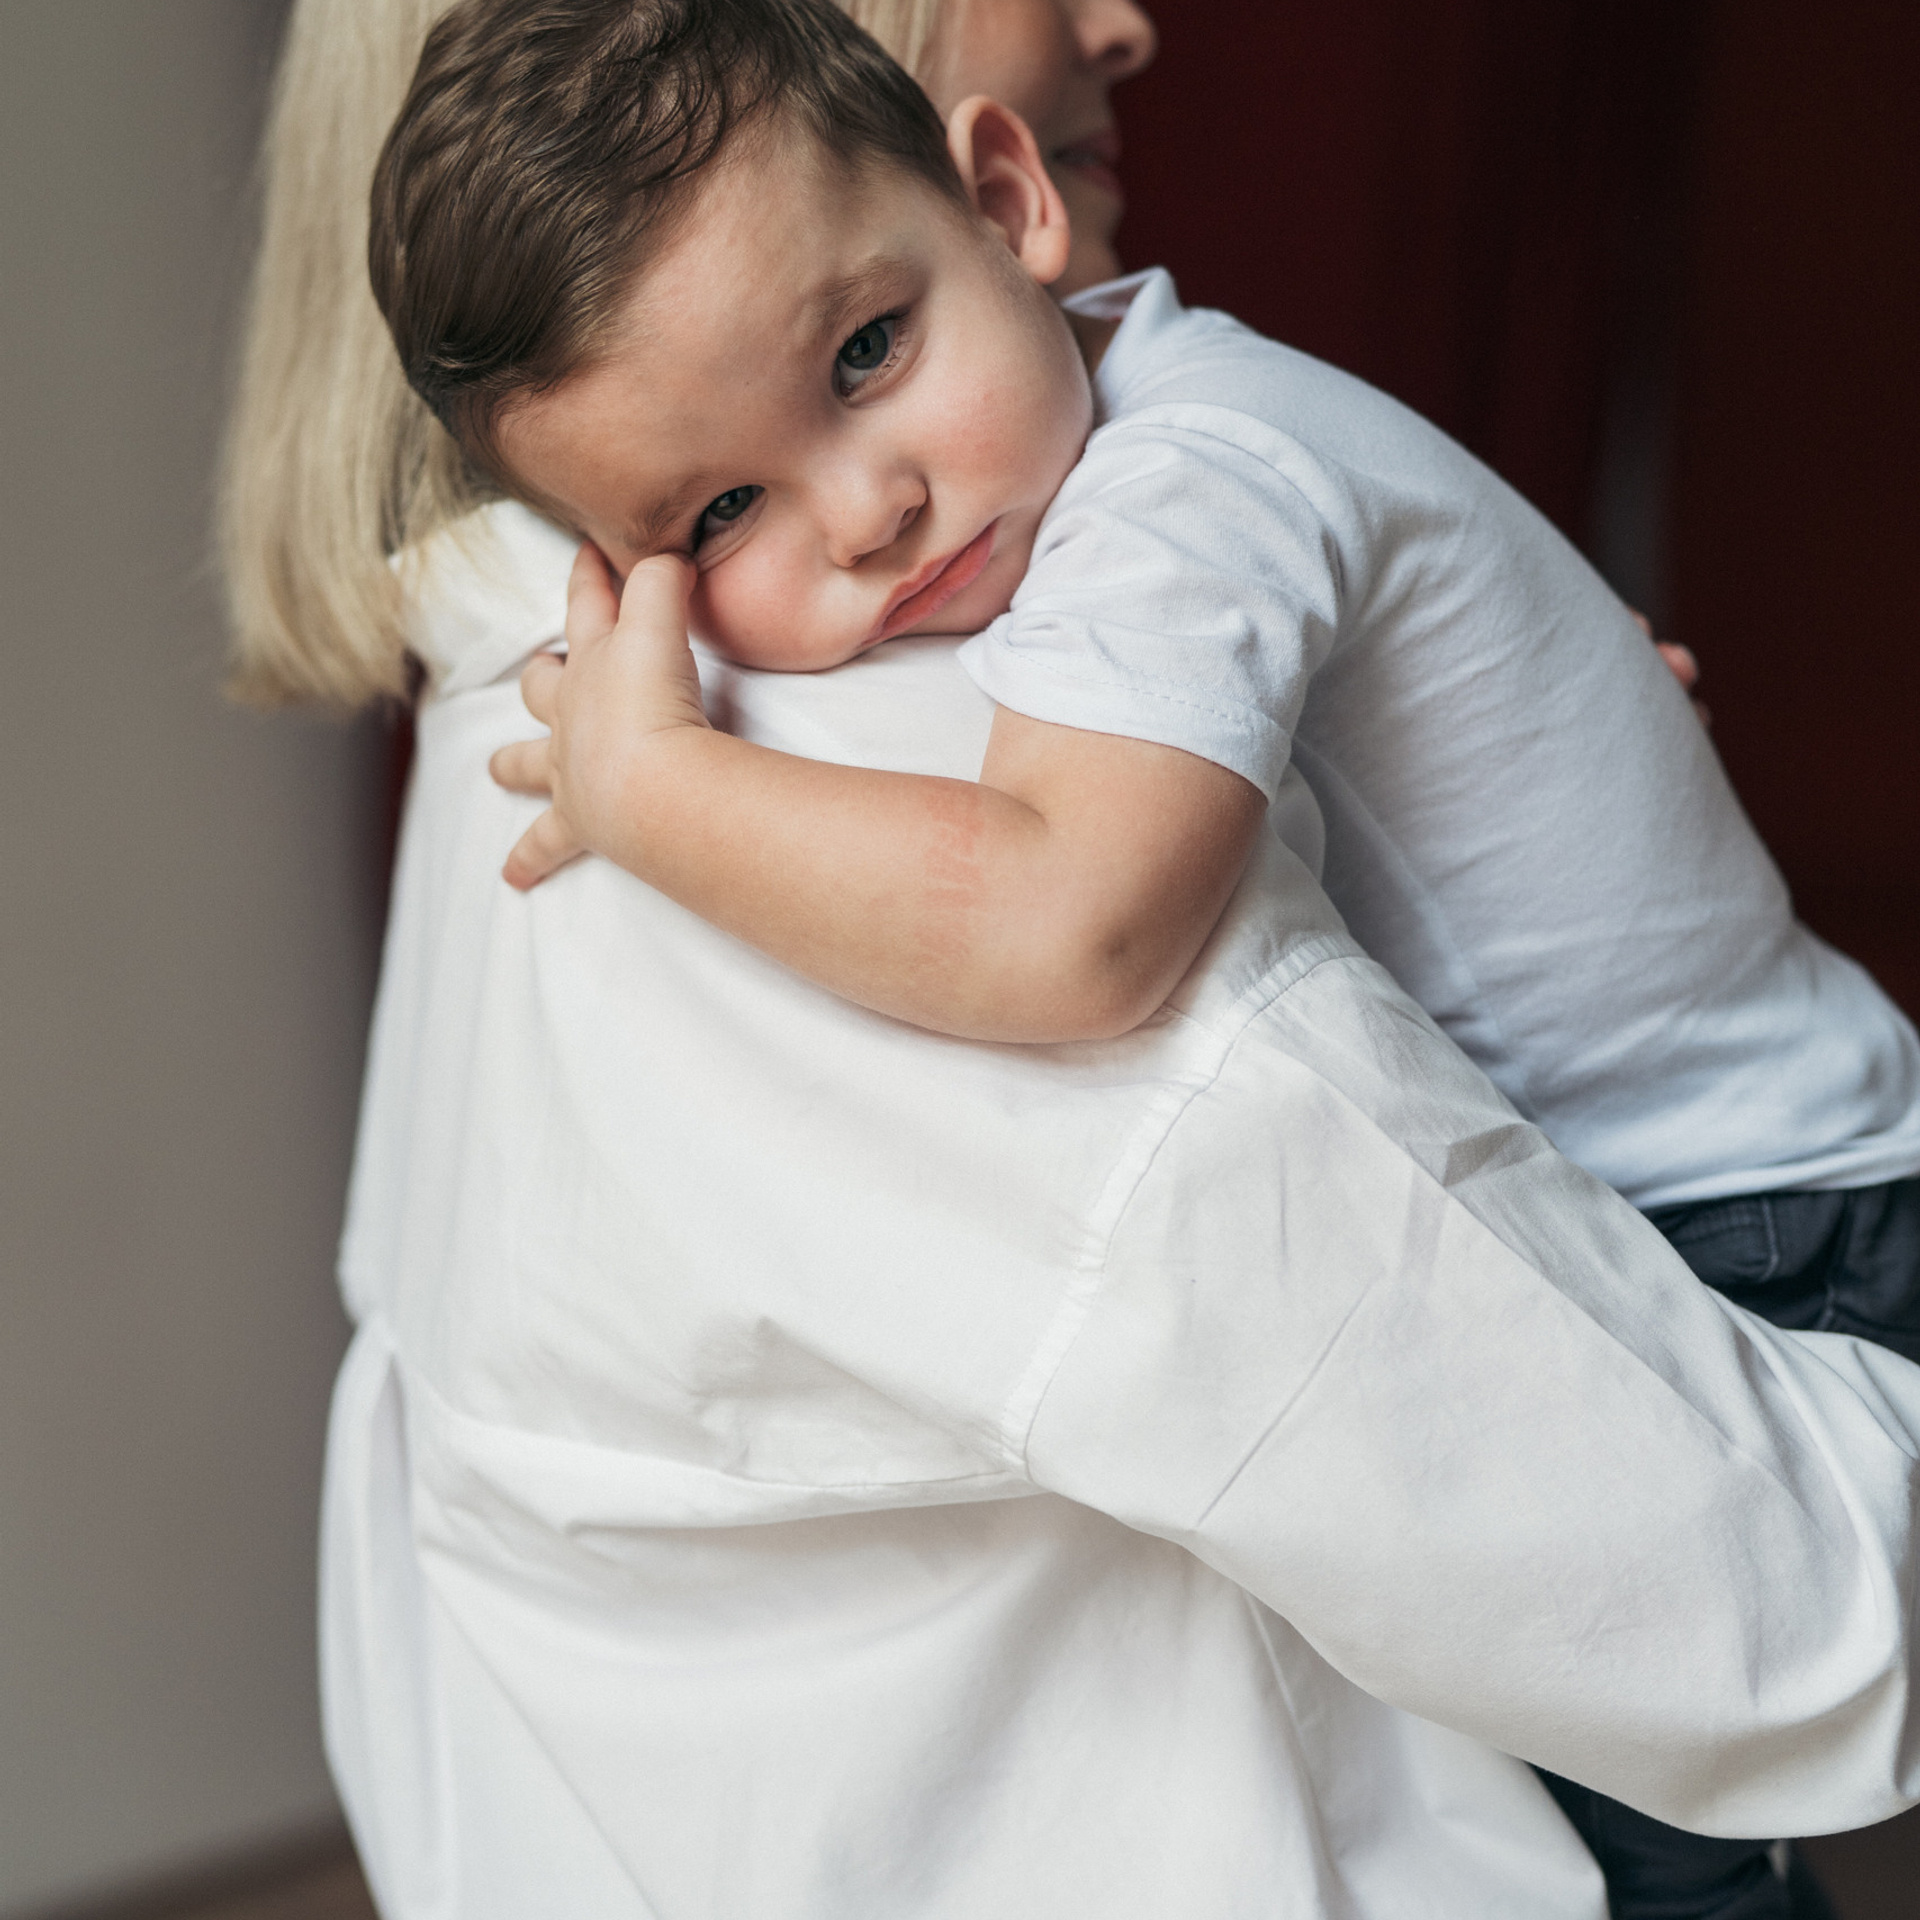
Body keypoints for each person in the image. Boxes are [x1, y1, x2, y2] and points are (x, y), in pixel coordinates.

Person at [226, 2, 1920, 1916]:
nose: (868, 511)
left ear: (1008, 204)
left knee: (1672, 1850)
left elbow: (1073, 930)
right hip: (1680, 1180)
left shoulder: (1184, 488)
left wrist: (653, 782)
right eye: (718, 515)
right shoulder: (1056, 490)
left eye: (869, 353)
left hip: (1763, 1223)